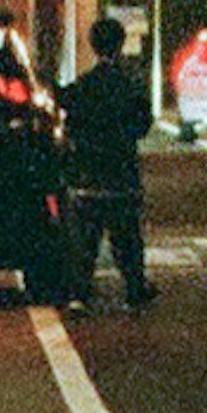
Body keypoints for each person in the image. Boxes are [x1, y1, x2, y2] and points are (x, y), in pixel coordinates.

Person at [57, 18, 154, 309]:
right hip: (121, 172)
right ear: (121, 44)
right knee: (127, 238)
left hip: (87, 173)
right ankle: (135, 290)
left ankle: (79, 294)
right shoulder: (130, 84)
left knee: (85, 240)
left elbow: (70, 123)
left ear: (93, 45)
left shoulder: (83, 86)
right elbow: (142, 126)